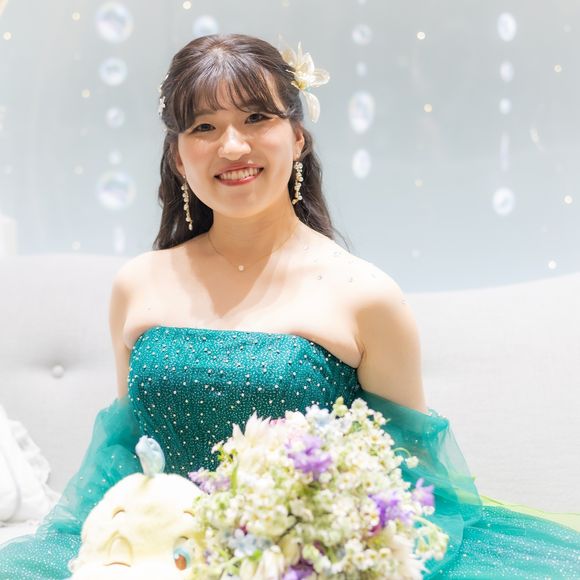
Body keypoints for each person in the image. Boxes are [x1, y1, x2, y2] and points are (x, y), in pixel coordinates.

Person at [0, 32, 579, 579]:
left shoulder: (365, 295)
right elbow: (128, 456)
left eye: (256, 118)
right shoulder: (138, 284)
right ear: (178, 157)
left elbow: (413, 484)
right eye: (204, 126)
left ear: (297, 137)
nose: (233, 146)